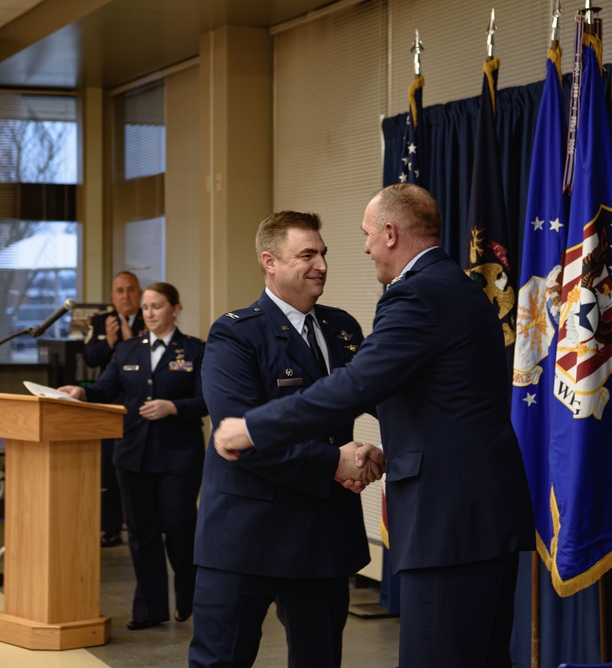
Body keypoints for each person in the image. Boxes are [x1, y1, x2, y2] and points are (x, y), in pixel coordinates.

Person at [213, 183, 535, 668]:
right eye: (309, 253)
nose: (361, 248)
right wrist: (363, 453)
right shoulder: (461, 287)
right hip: (481, 513)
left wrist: (253, 428)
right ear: (269, 261)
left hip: (448, 521)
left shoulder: (415, 296)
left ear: (389, 232)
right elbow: (422, 397)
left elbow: (356, 386)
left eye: (364, 235)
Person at [189, 211, 382, 668]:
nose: (321, 265)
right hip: (246, 534)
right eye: (307, 255)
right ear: (269, 261)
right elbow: (241, 436)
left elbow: (376, 400)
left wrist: (374, 452)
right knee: (221, 660)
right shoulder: (235, 334)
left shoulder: (343, 329)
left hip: (322, 534)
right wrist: (333, 463)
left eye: (323, 254)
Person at [60, 282, 207, 630]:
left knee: (179, 528)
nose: (150, 313)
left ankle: (189, 597)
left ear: (176, 308)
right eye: (145, 307)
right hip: (133, 454)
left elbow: (206, 401)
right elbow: (106, 389)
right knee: (141, 533)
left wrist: (173, 406)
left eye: (157, 306)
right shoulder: (127, 350)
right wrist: (81, 390)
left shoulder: (196, 350)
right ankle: (149, 609)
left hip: (177, 457)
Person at [83, 271, 146, 548]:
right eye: (120, 291)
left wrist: (131, 342)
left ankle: (138, 523)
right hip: (108, 401)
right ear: (112, 296)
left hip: (140, 404)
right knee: (109, 468)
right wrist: (110, 343)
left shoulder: (151, 317)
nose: (125, 296)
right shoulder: (100, 321)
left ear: (139, 292)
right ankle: (110, 528)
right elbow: (89, 357)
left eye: (131, 290)